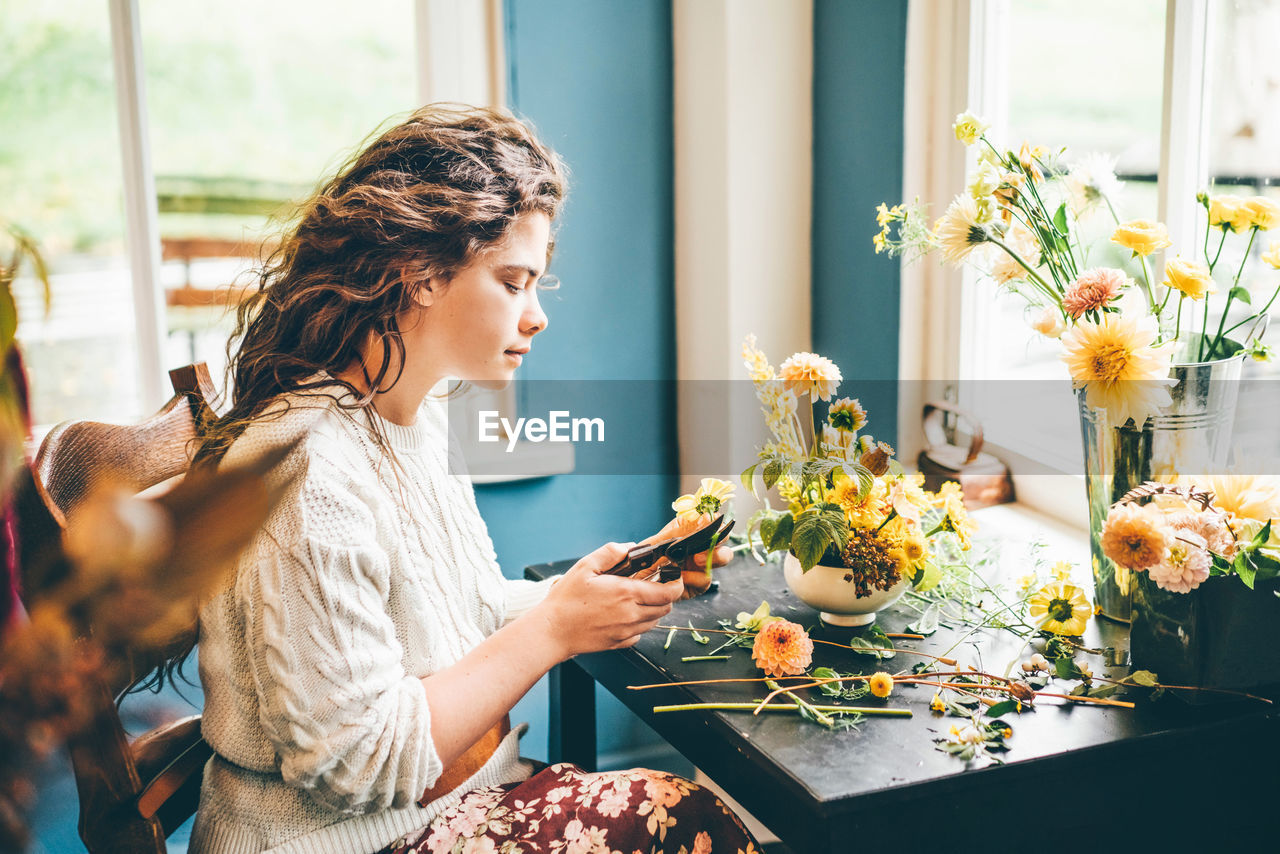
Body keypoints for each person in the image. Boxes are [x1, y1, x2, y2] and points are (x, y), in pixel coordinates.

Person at [188, 105, 760, 854]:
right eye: (513, 281)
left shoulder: (412, 419)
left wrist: (600, 590)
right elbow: (352, 767)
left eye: (537, 285)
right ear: (419, 274)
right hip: (346, 840)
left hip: (460, 800)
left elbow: (472, 615)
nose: (537, 316)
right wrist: (556, 630)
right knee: (684, 823)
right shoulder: (306, 475)